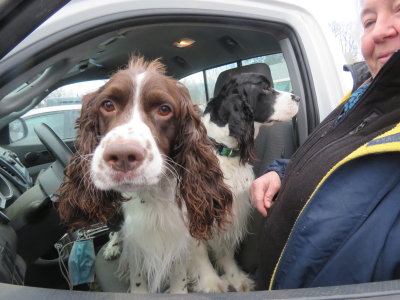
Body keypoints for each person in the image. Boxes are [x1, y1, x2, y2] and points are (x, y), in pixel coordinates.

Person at [252, 0, 400, 290]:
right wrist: (282, 172)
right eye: (369, 22)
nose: (379, 31)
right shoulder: (361, 97)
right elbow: (330, 158)